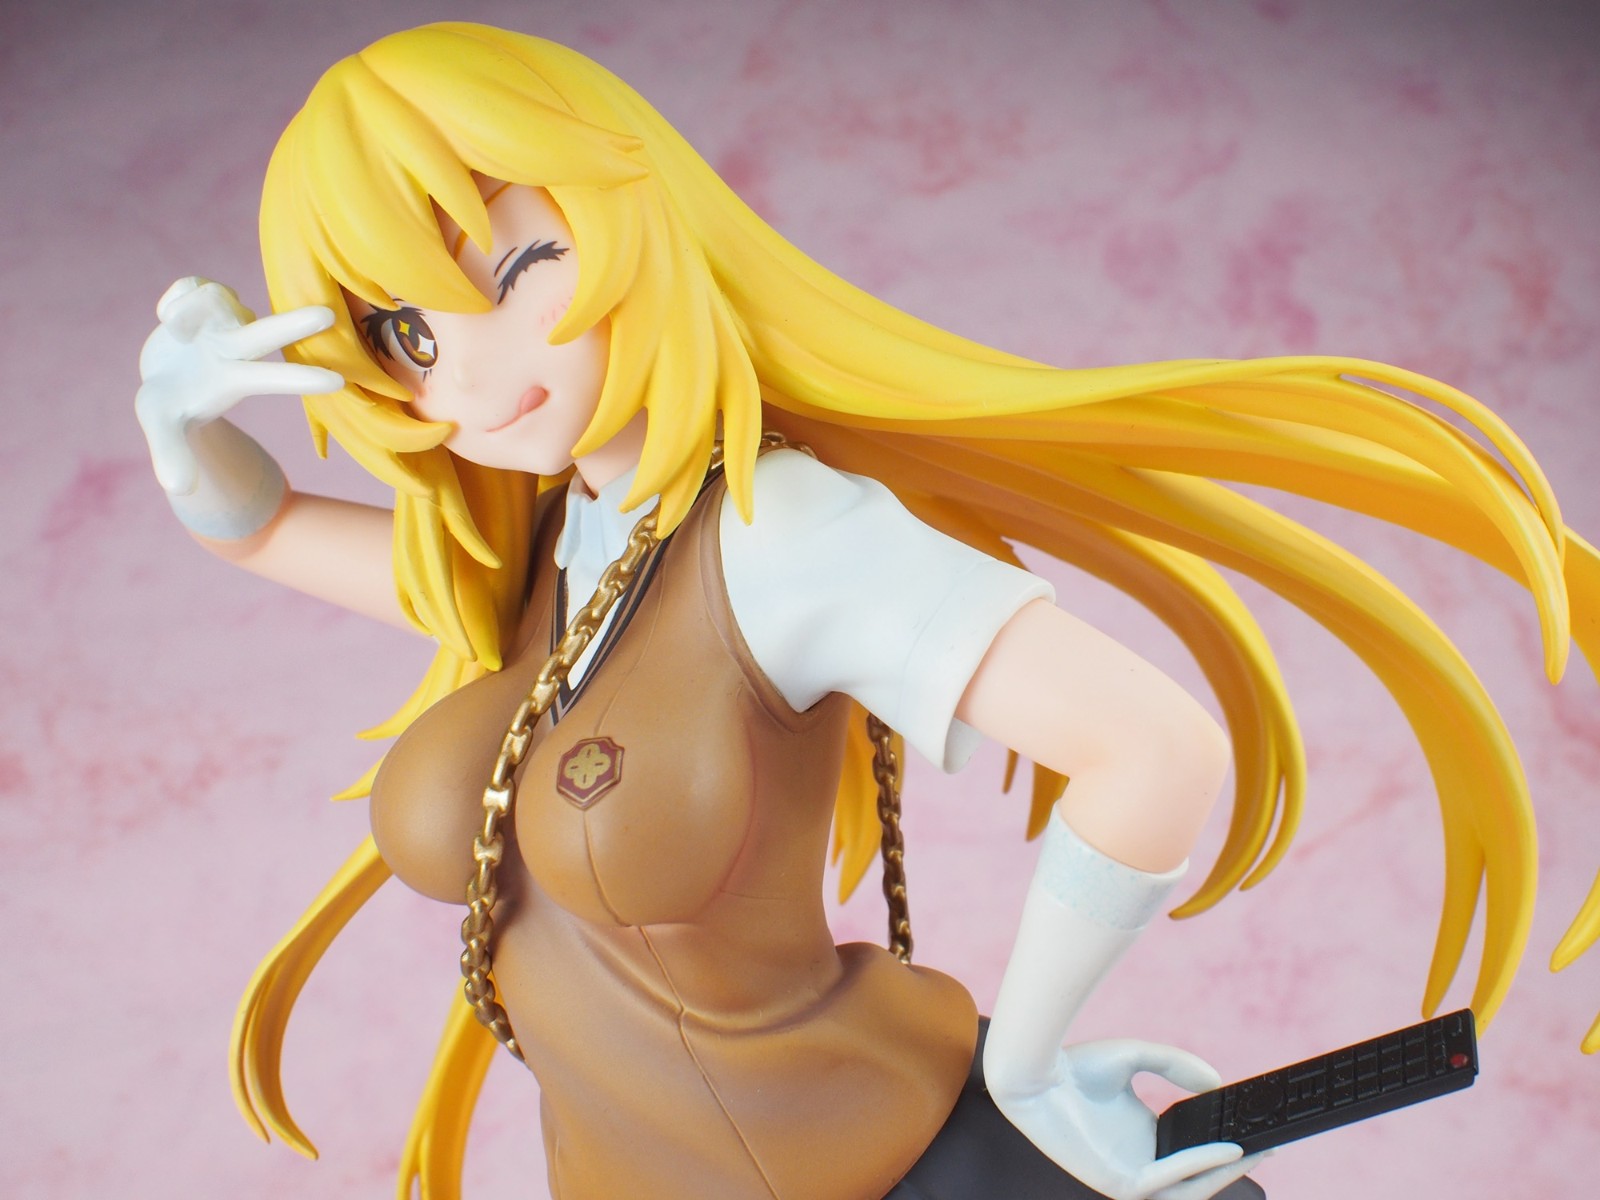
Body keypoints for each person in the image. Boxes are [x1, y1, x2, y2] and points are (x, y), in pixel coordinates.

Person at [133, 22, 1599, 1200]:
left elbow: (1158, 751)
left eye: (521, 271)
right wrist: (184, 436)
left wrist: (1028, 1068)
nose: (469, 367)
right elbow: (262, 530)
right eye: (408, 332)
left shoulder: (782, 532)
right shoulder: (546, 550)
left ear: (634, 217)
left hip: (873, 1159)